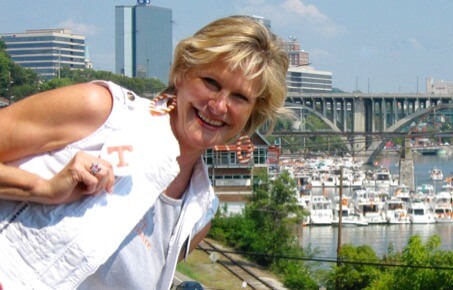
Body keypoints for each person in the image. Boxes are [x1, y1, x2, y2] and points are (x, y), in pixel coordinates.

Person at [0, 15, 288, 289]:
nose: (219, 106)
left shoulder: (197, 216)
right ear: (183, 74)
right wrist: (43, 189)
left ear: (252, 114)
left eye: (239, 97)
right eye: (211, 82)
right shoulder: (103, 111)